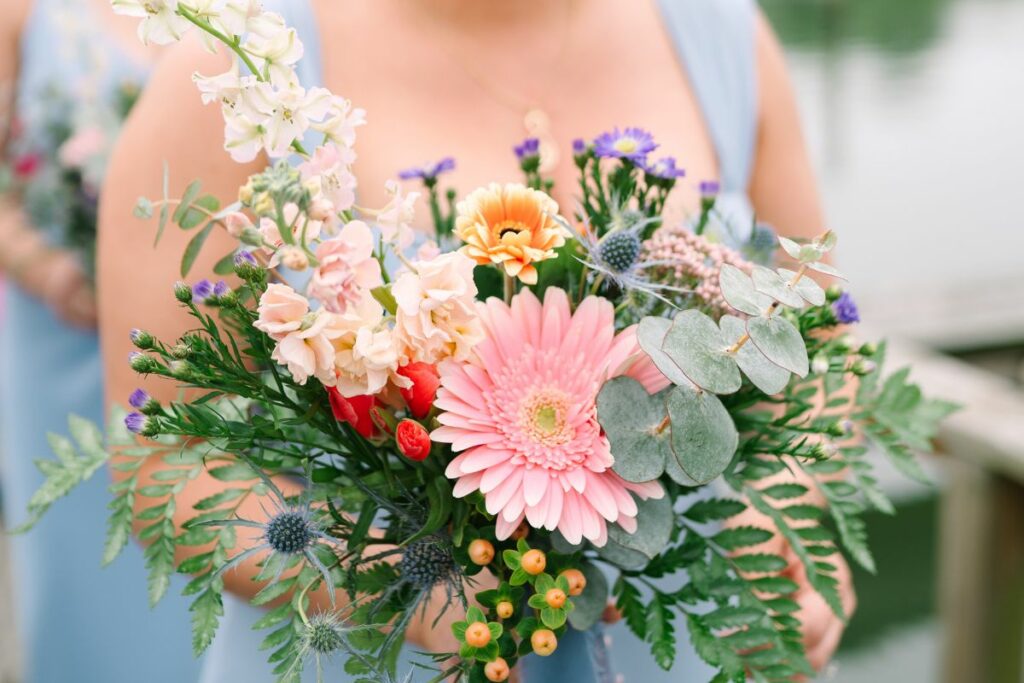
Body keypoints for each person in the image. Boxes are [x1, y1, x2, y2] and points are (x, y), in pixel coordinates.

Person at [97, 0, 855, 681]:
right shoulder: (238, 75)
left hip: (695, 639)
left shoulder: (724, 35)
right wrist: (401, 583)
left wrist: (791, 516)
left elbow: (820, 338)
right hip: (399, 657)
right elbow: (157, 449)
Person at [0, 1, 199, 681]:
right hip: (62, 342)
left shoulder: (247, 18)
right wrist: (52, 271)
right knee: (81, 570)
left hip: (193, 347)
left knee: (198, 552)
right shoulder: (22, 14)